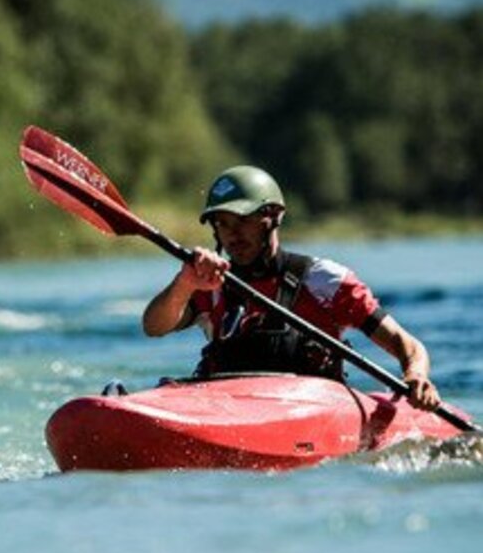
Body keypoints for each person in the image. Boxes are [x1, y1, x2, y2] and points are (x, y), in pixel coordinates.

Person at [142, 165, 441, 410]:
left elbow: (409, 346)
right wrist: (185, 283)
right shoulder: (209, 282)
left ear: (273, 217)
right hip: (228, 409)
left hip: (310, 411)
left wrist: (416, 375)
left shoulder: (326, 281)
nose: (232, 234)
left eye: (244, 220)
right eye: (222, 223)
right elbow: (153, 326)